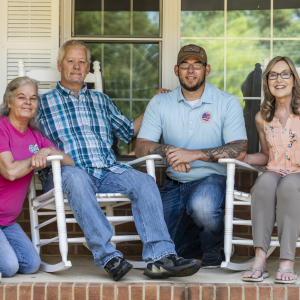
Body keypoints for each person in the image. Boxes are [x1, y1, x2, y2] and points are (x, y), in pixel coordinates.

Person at [36, 39, 201, 281]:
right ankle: (109, 257)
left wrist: (154, 104)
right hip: (66, 172)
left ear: (88, 68)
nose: (77, 66)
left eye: (82, 62)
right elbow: (17, 131)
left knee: (144, 182)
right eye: (70, 61)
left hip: (106, 171)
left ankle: (161, 258)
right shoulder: (41, 104)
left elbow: (128, 130)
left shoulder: (101, 101)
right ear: (60, 65)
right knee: (77, 177)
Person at [135, 44, 247, 268]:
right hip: (173, 183)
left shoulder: (227, 102)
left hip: (211, 179)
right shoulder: (160, 102)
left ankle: (213, 250)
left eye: (197, 65)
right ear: (176, 70)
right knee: (161, 249)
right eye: (185, 65)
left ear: (207, 69)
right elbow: (141, 146)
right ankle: (216, 237)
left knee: (204, 207)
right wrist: (172, 153)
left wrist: (192, 155)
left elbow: (240, 149)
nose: (191, 71)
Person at [0, 77, 74, 278]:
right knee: (8, 267)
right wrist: (35, 158)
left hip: (7, 221)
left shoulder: (35, 136)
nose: (28, 102)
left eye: (33, 98)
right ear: (9, 101)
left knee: (31, 264)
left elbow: (69, 161)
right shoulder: (1, 128)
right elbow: (11, 172)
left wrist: (48, 149)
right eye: (21, 97)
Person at [243, 56, 300, 283]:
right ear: (267, 81)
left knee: (288, 186)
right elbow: (267, 155)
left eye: (285, 73)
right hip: (275, 170)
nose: (279, 79)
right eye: (273, 75)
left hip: (298, 173)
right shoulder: (262, 118)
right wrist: (245, 158)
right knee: (264, 183)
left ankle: (287, 260)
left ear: (294, 79)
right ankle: (260, 258)